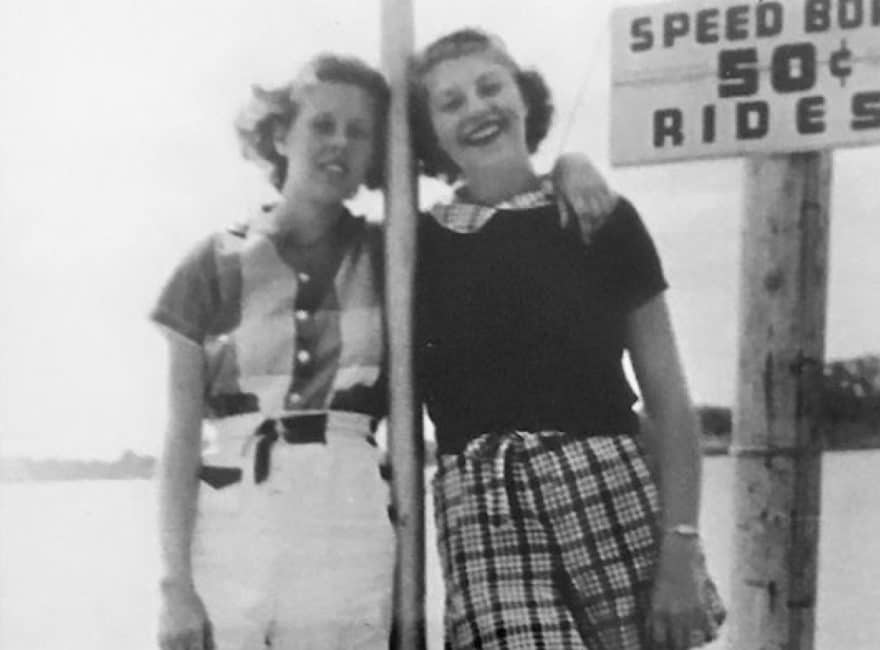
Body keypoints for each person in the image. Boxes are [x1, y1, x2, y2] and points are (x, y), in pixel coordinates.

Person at [152, 52, 618, 650]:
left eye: (359, 131)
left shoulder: (395, 252)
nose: (339, 144)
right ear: (279, 135)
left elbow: (498, 202)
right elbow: (181, 437)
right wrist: (174, 585)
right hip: (230, 515)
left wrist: (571, 168)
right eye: (322, 124)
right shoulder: (211, 262)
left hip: (347, 507)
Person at [411, 29, 727, 650]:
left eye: (490, 87)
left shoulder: (599, 217)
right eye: (449, 103)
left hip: (609, 490)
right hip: (482, 508)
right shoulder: (416, 245)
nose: (476, 108)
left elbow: (669, 401)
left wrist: (680, 553)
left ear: (524, 97)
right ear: (431, 137)